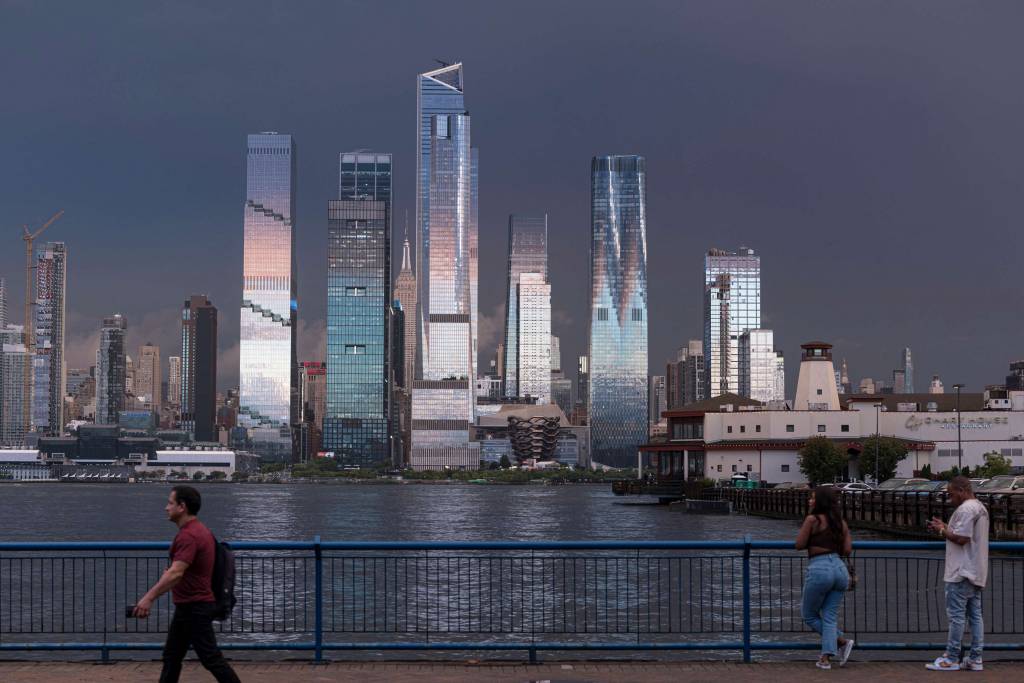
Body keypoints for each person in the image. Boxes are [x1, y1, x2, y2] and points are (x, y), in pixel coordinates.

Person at [133, 486, 241, 683]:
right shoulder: (200, 530)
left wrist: (148, 598)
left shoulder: (189, 536)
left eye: (170, 503)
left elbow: (176, 573)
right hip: (188, 606)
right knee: (172, 657)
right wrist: (174, 574)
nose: (166, 508)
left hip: (195, 607)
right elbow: (181, 571)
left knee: (211, 659)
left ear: (182, 507)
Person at [925, 475, 989, 672]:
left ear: (962, 491)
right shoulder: (980, 507)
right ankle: (976, 658)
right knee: (975, 616)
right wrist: (945, 526)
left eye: (951, 495)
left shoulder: (966, 509)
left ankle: (951, 658)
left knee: (956, 617)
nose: (950, 499)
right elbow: (967, 535)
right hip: (976, 570)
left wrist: (942, 531)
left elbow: (961, 538)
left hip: (961, 571)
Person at [795, 486, 855, 670]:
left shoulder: (812, 519)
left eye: (812, 498)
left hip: (820, 567)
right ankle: (825, 658)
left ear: (820, 501)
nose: (810, 501)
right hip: (839, 568)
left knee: (809, 615)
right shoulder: (841, 523)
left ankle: (842, 642)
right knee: (829, 616)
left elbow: (799, 544)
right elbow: (847, 550)